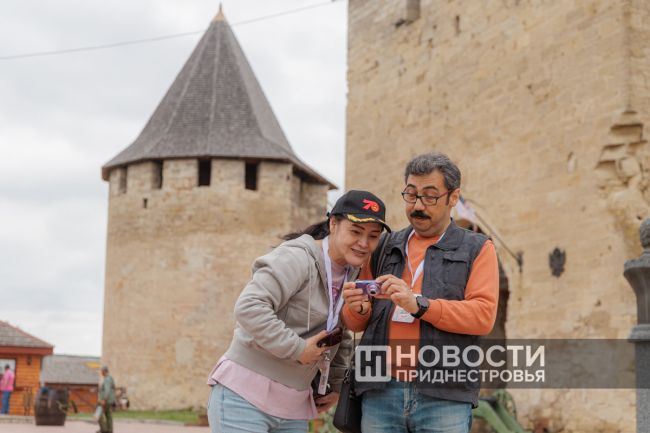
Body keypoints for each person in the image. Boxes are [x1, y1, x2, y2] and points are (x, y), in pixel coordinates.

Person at [206, 190, 391, 433]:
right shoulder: (297, 257)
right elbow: (249, 307)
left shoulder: (352, 273)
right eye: (355, 232)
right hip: (244, 397)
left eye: (373, 236)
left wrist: (336, 385)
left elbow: (338, 330)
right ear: (333, 224)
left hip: (294, 407)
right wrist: (298, 348)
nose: (364, 243)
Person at [341, 153, 499, 433]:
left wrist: (419, 305)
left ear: (453, 197)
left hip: (444, 396)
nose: (417, 206)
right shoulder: (383, 246)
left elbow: (483, 316)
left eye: (429, 196)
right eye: (411, 195)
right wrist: (357, 309)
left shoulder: (478, 248)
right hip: (378, 392)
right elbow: (356, 322)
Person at [98, 366, 115, 433]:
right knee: (108, 415)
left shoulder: (107, 379)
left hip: (106, 400)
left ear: (104, 371)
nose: (101, 372)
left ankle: (104, 429)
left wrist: (103, 399)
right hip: (109, 400)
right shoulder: (109, 378)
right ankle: (109, 430)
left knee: (98, 414)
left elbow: (107, 390)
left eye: (102, 371)